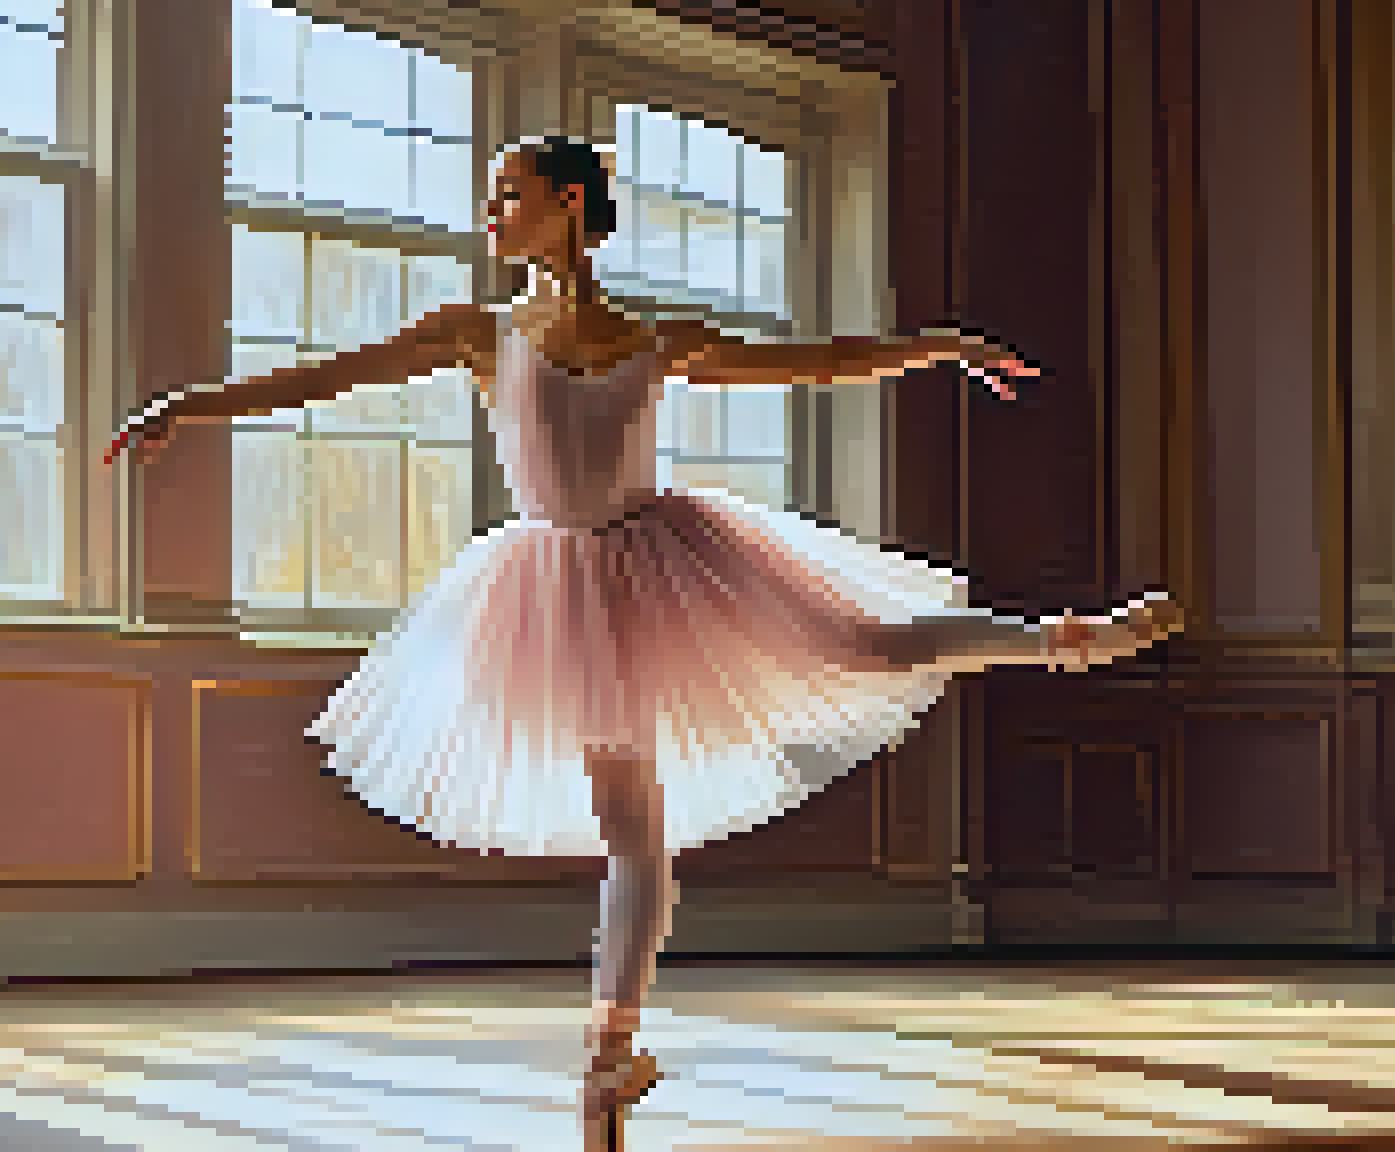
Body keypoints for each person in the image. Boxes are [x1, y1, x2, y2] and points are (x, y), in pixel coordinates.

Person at [106, 134, 1182, 1148]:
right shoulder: (475, 332)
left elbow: (814, 363)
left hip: (665, 557)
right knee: (634, 833)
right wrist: (185, 406)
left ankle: (1062, 640)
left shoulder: (662, 341)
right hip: (552, 587)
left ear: (569, 205)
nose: (491, 215)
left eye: (510, 196)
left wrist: (936, 348)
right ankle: (611, 1052)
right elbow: (323, 378)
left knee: (869, 642)